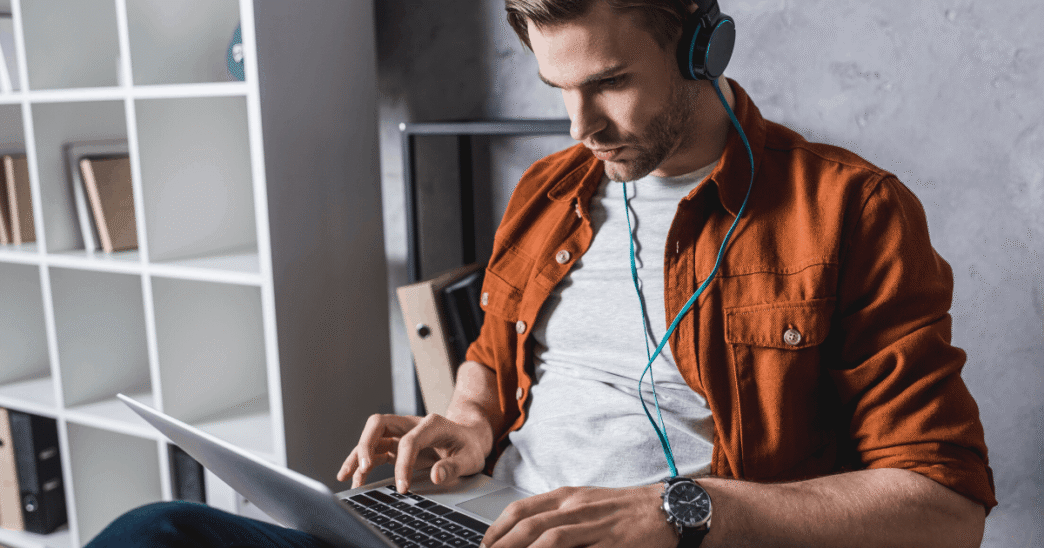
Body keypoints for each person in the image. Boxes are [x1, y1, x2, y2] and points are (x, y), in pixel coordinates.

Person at [87, 1, 995, 547]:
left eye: (607, 82)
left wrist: (682, 515)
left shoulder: (849, 210)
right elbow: (490, 351)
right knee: (153, 532)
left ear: (701, 45)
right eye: (558, 88)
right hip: (485, 529)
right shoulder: (550, 190)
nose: (578, 127)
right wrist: (469, 422)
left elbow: (943, 509)